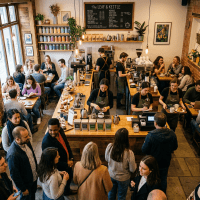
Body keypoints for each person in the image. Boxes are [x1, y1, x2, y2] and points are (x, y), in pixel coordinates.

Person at [142, 112, 178, 193]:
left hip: (153, 163)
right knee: (163, 179)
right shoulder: (172, 133)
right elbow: (175, 147)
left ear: (155, 123)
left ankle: (151, 195)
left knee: (151, 180)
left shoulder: (150, 136)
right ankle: (162, 195)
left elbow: (144, 150)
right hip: (165, 162)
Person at [42, 118, 75, 196]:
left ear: (59, 128)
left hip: (67, 162)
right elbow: (49, 160)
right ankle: (64, 192)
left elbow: (67, 145)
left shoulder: (61, 131)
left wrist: (71, 158)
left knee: (69, 177)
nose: (53, 132)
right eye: (50, 130)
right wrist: (66, 164)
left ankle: (67, 190)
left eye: (55, 130)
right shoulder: (46, 142)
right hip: (59, 166)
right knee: (61, 183)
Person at [6, 126, 37, 200]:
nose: (29, 137)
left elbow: (32, 157)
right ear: (17, 139)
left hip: (33, 179)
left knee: (33, 197)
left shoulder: (26, 142)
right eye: (26, 136)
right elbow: (14, 174)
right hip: (25, 185)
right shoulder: (13, 155)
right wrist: (23, 189)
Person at [105, 128, 137, 200]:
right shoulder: (129, 153)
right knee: (121, 197)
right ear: (126, 139)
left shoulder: (109, 146)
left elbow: (106, 159)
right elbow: (132, 169)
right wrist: (136, 165)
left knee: (111, 194)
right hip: (123, 179)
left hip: (111, 175)